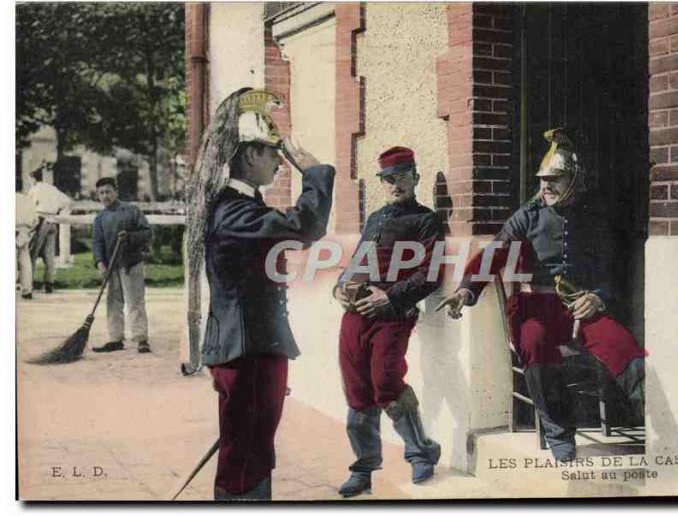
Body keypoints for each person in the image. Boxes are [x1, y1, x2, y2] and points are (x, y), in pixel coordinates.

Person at [436, 128, 647, 462]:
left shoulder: (594, 216)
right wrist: (466, 288)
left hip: (581, 304)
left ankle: (657, 421)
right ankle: (559, 432)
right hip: (534, 305)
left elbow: (614, 268)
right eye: (543, 178)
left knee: (622, 346)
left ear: (575, 179)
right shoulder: (529, 214)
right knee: (535, 344)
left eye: (556, 179)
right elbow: (496, 252)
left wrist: (599, 296)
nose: (546, 185)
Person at [187, 87, 335, 501]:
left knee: (251, 448)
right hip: (247, 351)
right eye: (273, 154)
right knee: (246, 456)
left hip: (250, 349)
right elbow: (304, 226)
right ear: (250, 155)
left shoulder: (236, 206)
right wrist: (315, 173)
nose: (279, 164)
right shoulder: (234, 211)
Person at [333, 146, 444, 497]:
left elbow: (432, 273)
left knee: (385, 382)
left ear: (415, 177)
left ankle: (421, 452)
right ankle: (364, 470)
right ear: (382, 183)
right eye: (388, 179)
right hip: (355, 314)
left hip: (393, 314)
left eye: (402, 177)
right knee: (356, 390)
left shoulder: (427, 221)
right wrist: (340, 287)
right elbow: (357, 262)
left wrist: (391, 296)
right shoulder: (375, 218)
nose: (395, 184)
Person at [91, 177, 153, 354]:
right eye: (101, 193)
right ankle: (115, 338)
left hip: (130, 263)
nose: (105, 196)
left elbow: (148, 232)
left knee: (135, 301)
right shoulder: (99, 218)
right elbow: (97, 243)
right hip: (111, 267)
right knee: (113, 303)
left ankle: (141, 339)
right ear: (98, 196)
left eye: (108, 191)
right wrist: (100, 263)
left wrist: (130, 237)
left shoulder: (131, 210)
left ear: (116, 191)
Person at [27, 166, 71, 293]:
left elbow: (30, 206)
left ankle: (28, 282)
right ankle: (49, 283)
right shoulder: (53, 189)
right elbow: (66, 201)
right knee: (49, 254)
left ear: (33, 178)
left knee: (32, 253)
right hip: (53, 220)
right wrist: (58, 212)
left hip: (40, 218)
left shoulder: (34, 189)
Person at [16, 192, 38, 299]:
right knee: (25, 260)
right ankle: (27, 289)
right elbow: (35, 219)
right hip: (25, 229)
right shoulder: (27, 200)